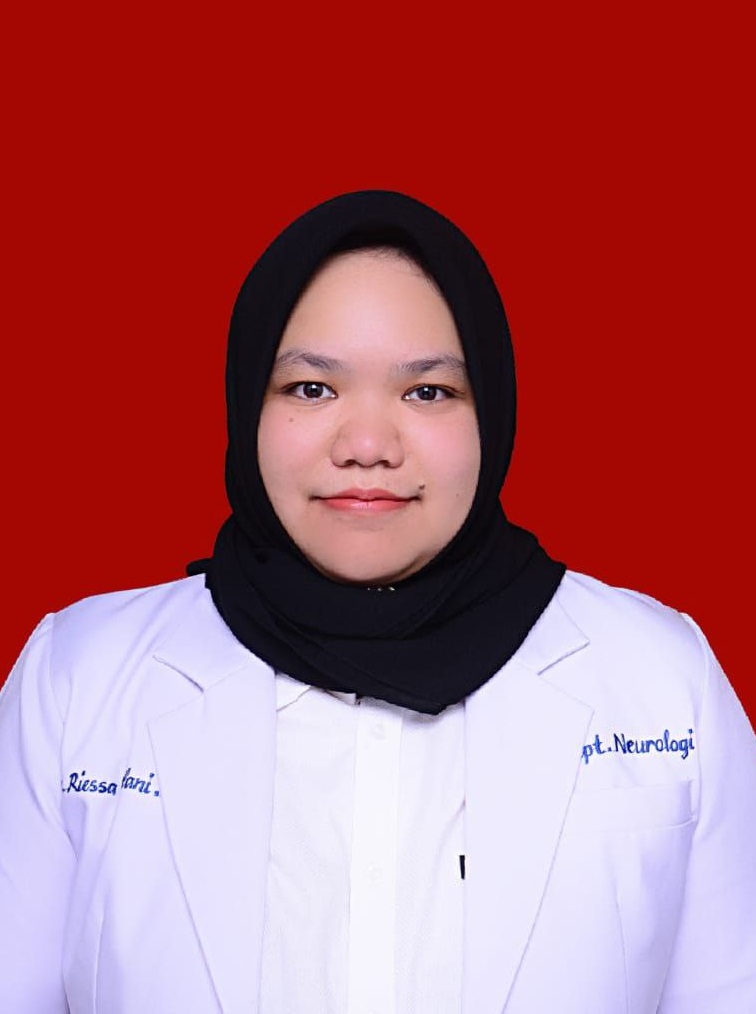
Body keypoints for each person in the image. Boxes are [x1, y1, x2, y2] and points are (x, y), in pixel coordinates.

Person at [1, 190, 754, 1014]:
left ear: (492, 410)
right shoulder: (78, 679)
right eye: (310, 389)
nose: (366, 446)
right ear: (248, 403)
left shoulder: (658, 676)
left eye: (427, 392)